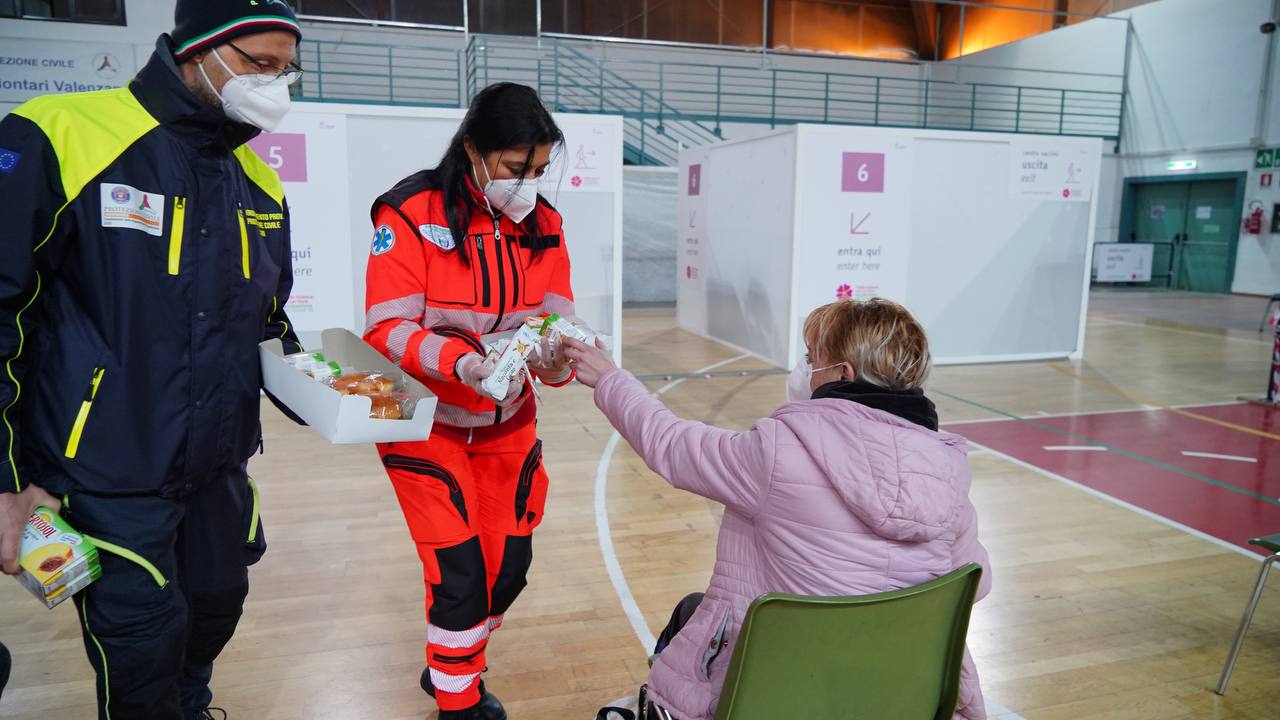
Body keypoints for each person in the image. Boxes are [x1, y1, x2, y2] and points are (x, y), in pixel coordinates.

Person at [0, 2, 305, 718]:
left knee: (215, 614)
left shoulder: (258, 181)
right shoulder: (57, 134)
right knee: (141, 651)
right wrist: (6, 480)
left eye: (288, 69)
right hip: (106, 470)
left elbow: (266, 317)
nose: (276, 84)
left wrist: (319, 381)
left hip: (218, 469)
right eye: (261, 64)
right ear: (200, 50)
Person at [565, 298, 992, 720]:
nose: (804, 368)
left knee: (692, 615)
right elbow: (977, 581)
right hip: (900, 694)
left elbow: (672, 445)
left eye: (812, 357)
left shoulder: (777, 452)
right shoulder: (949, 469)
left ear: (842, 374)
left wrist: (610, 379)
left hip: (780, 692)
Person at [363, 82, 577, 720]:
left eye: (539, 171)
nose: (529, 184)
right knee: (458, 576)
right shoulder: (407, 212)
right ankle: (459, 703)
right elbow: (386, 328)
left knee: (507, 568)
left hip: (508, 423)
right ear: (473, 150)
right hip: (423, 422)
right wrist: (466, 365)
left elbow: (555, 321)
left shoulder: (545, 225)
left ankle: (450, 662)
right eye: (517, 169)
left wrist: (559, 356)